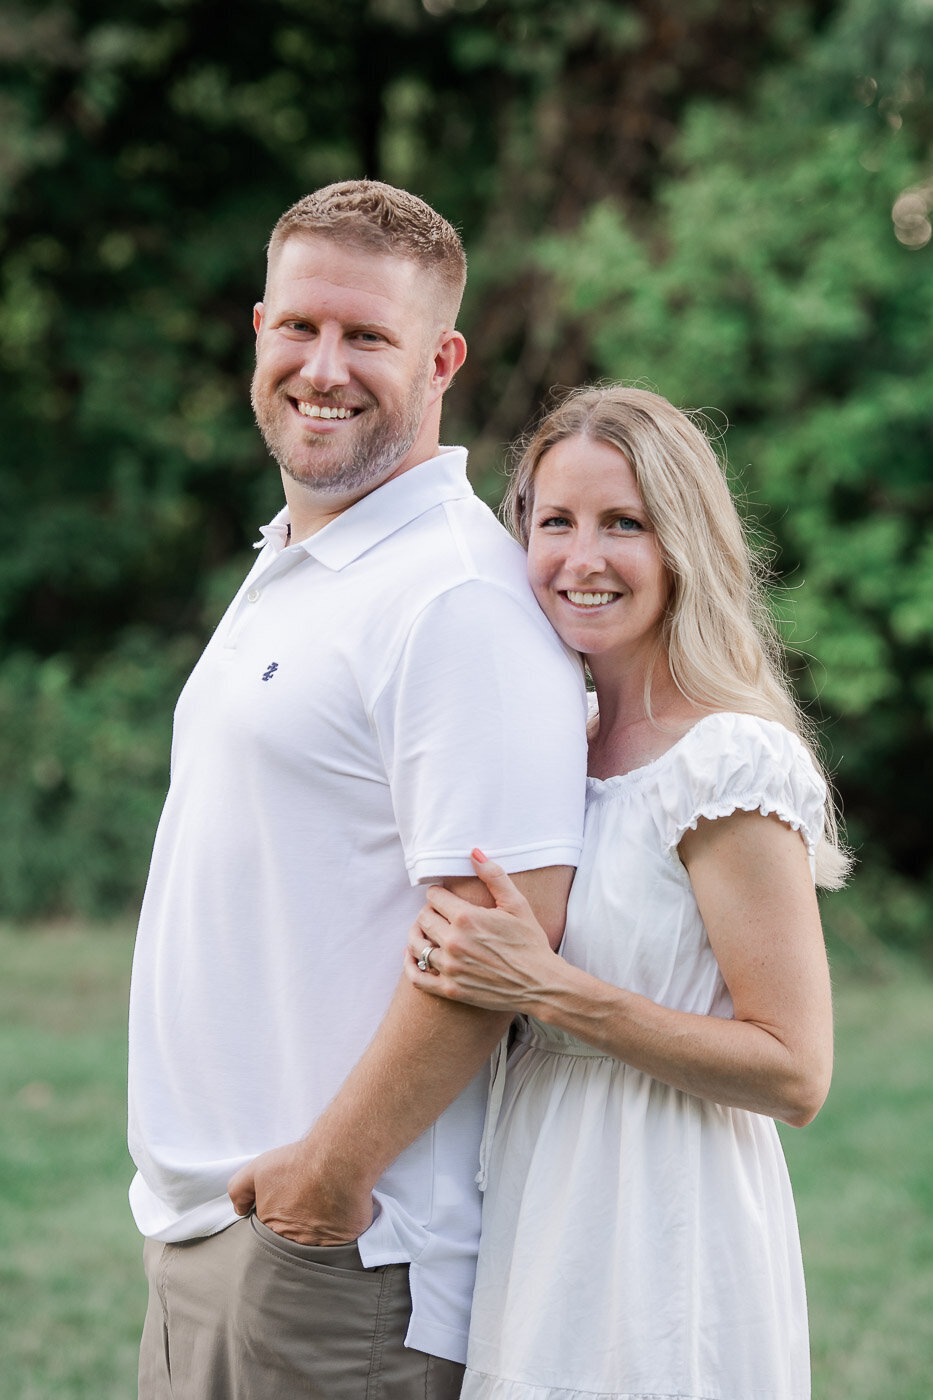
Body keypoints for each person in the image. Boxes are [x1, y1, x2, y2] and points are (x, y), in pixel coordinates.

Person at [127, 180, 588, 1400]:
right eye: (300, 325)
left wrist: (326, 1180)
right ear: (259, 330)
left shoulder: (456, 599)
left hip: (338, 1259)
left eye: (368, 336)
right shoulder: (306, 555)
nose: (323, 367)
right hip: (213, 1231)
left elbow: (504, 930)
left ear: (441, 361)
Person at [406, 384, 850, 1400]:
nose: (583, 557)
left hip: (668, 1219)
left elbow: (795, 1071)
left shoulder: (726, 761)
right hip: (537, 1200)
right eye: (555, 522)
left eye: (623, 523)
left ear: (682, 545)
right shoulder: (553, 745)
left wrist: (549, 988)